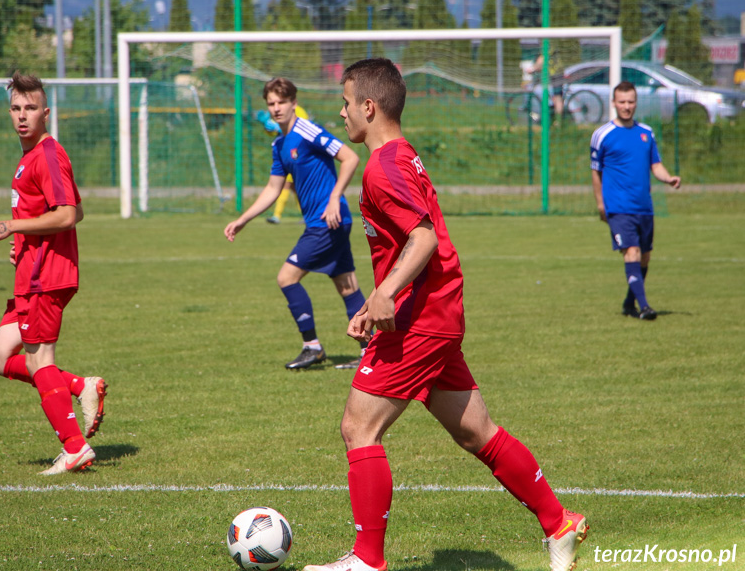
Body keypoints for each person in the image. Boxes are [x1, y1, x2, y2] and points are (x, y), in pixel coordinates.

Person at [301, 58, 587, 571]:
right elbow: (409, 241)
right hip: (435, 312)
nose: (340, 112)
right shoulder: (404, 156)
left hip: (419, 320)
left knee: (358, 428)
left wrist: (385, 293)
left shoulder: (384, 166)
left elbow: (424, 238)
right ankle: (559, 524)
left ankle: (367, 561)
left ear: (368, 106)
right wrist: (375, 301)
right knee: (477, 432)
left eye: (345, 103)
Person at [0, 72, 106, 475]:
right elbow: (74, 209)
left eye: (30, 108)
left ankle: (74, 446)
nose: (22, 116)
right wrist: (26, 240)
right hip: (33, 271)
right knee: (0, 357)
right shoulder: (31, 156)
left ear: (46, 113)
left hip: (45, 276)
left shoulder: (48, 154)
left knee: (39, 360)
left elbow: (68, 216)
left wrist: (13, 227)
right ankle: (78, 386)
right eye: (16, 108)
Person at [224, 77, 366, 370]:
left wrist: (333, 197)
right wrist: (243, 220)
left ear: (293, 103)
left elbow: (350, 158)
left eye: (281, 102)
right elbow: (273, 189)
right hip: (323, 223)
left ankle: (312, 347)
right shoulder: (279, 144)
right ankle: (371, 352)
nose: (276, 109)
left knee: (286, 278)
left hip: (328, 221)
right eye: (271, 104)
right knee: (347, 286)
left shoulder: (307, 130)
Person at [591, 81, 681, 320]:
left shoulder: (646, 133)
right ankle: (644, 307)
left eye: (631, 101)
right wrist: (601, 204)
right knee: (631, 251)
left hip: (644, 206)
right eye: (622, 102)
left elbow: (656, 165)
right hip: (618, 207)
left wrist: (668, 178)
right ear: (613, 103)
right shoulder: (602, 135)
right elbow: (596, 172)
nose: (626, 106)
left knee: (644, 256)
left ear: (636, 103)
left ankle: (629, 302)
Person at [257, 105, 309, 225]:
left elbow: (303, 131)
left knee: (287, 184)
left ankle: (277, 215)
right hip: (283, 153)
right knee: (294, 188)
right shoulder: (278, 111)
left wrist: (282, 128)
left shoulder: (299, 111)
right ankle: (307, 215)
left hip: (297, 154)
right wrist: (268, 126)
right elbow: (274, 132)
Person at [530, 50, 565, 123]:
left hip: (556, 74)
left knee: (557, 98)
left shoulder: (550, 46)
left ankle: (558, 122)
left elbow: (541, 60)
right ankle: (552, 117)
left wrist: (533, 68)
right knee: (552, 95)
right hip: (554, 74)